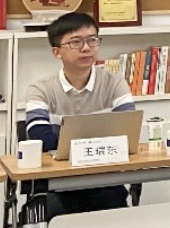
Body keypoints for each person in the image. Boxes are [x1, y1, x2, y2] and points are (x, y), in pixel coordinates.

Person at [24, 12, 136, 216]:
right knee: (52, 211)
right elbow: (40, 137)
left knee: (113, 208)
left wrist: (70, 144)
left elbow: (128, 132)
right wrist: (97, 143)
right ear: (56, 52)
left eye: (92, 40)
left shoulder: (115, 82)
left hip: (103, 178)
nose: (86, 48)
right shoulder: (40, 89)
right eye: (76, 42)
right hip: (57, 180)